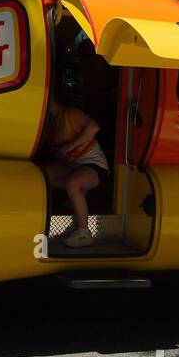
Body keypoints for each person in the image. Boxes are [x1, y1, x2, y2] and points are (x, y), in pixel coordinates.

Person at [42, 90, 110, 248]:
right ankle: (77, 193)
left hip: (95, 166)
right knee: (43, 175)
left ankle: (84, 233)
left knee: (73, 183)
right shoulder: (53, 123)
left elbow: (94, 127)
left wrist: (70, 145)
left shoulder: (71, 113)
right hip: (73, 166)